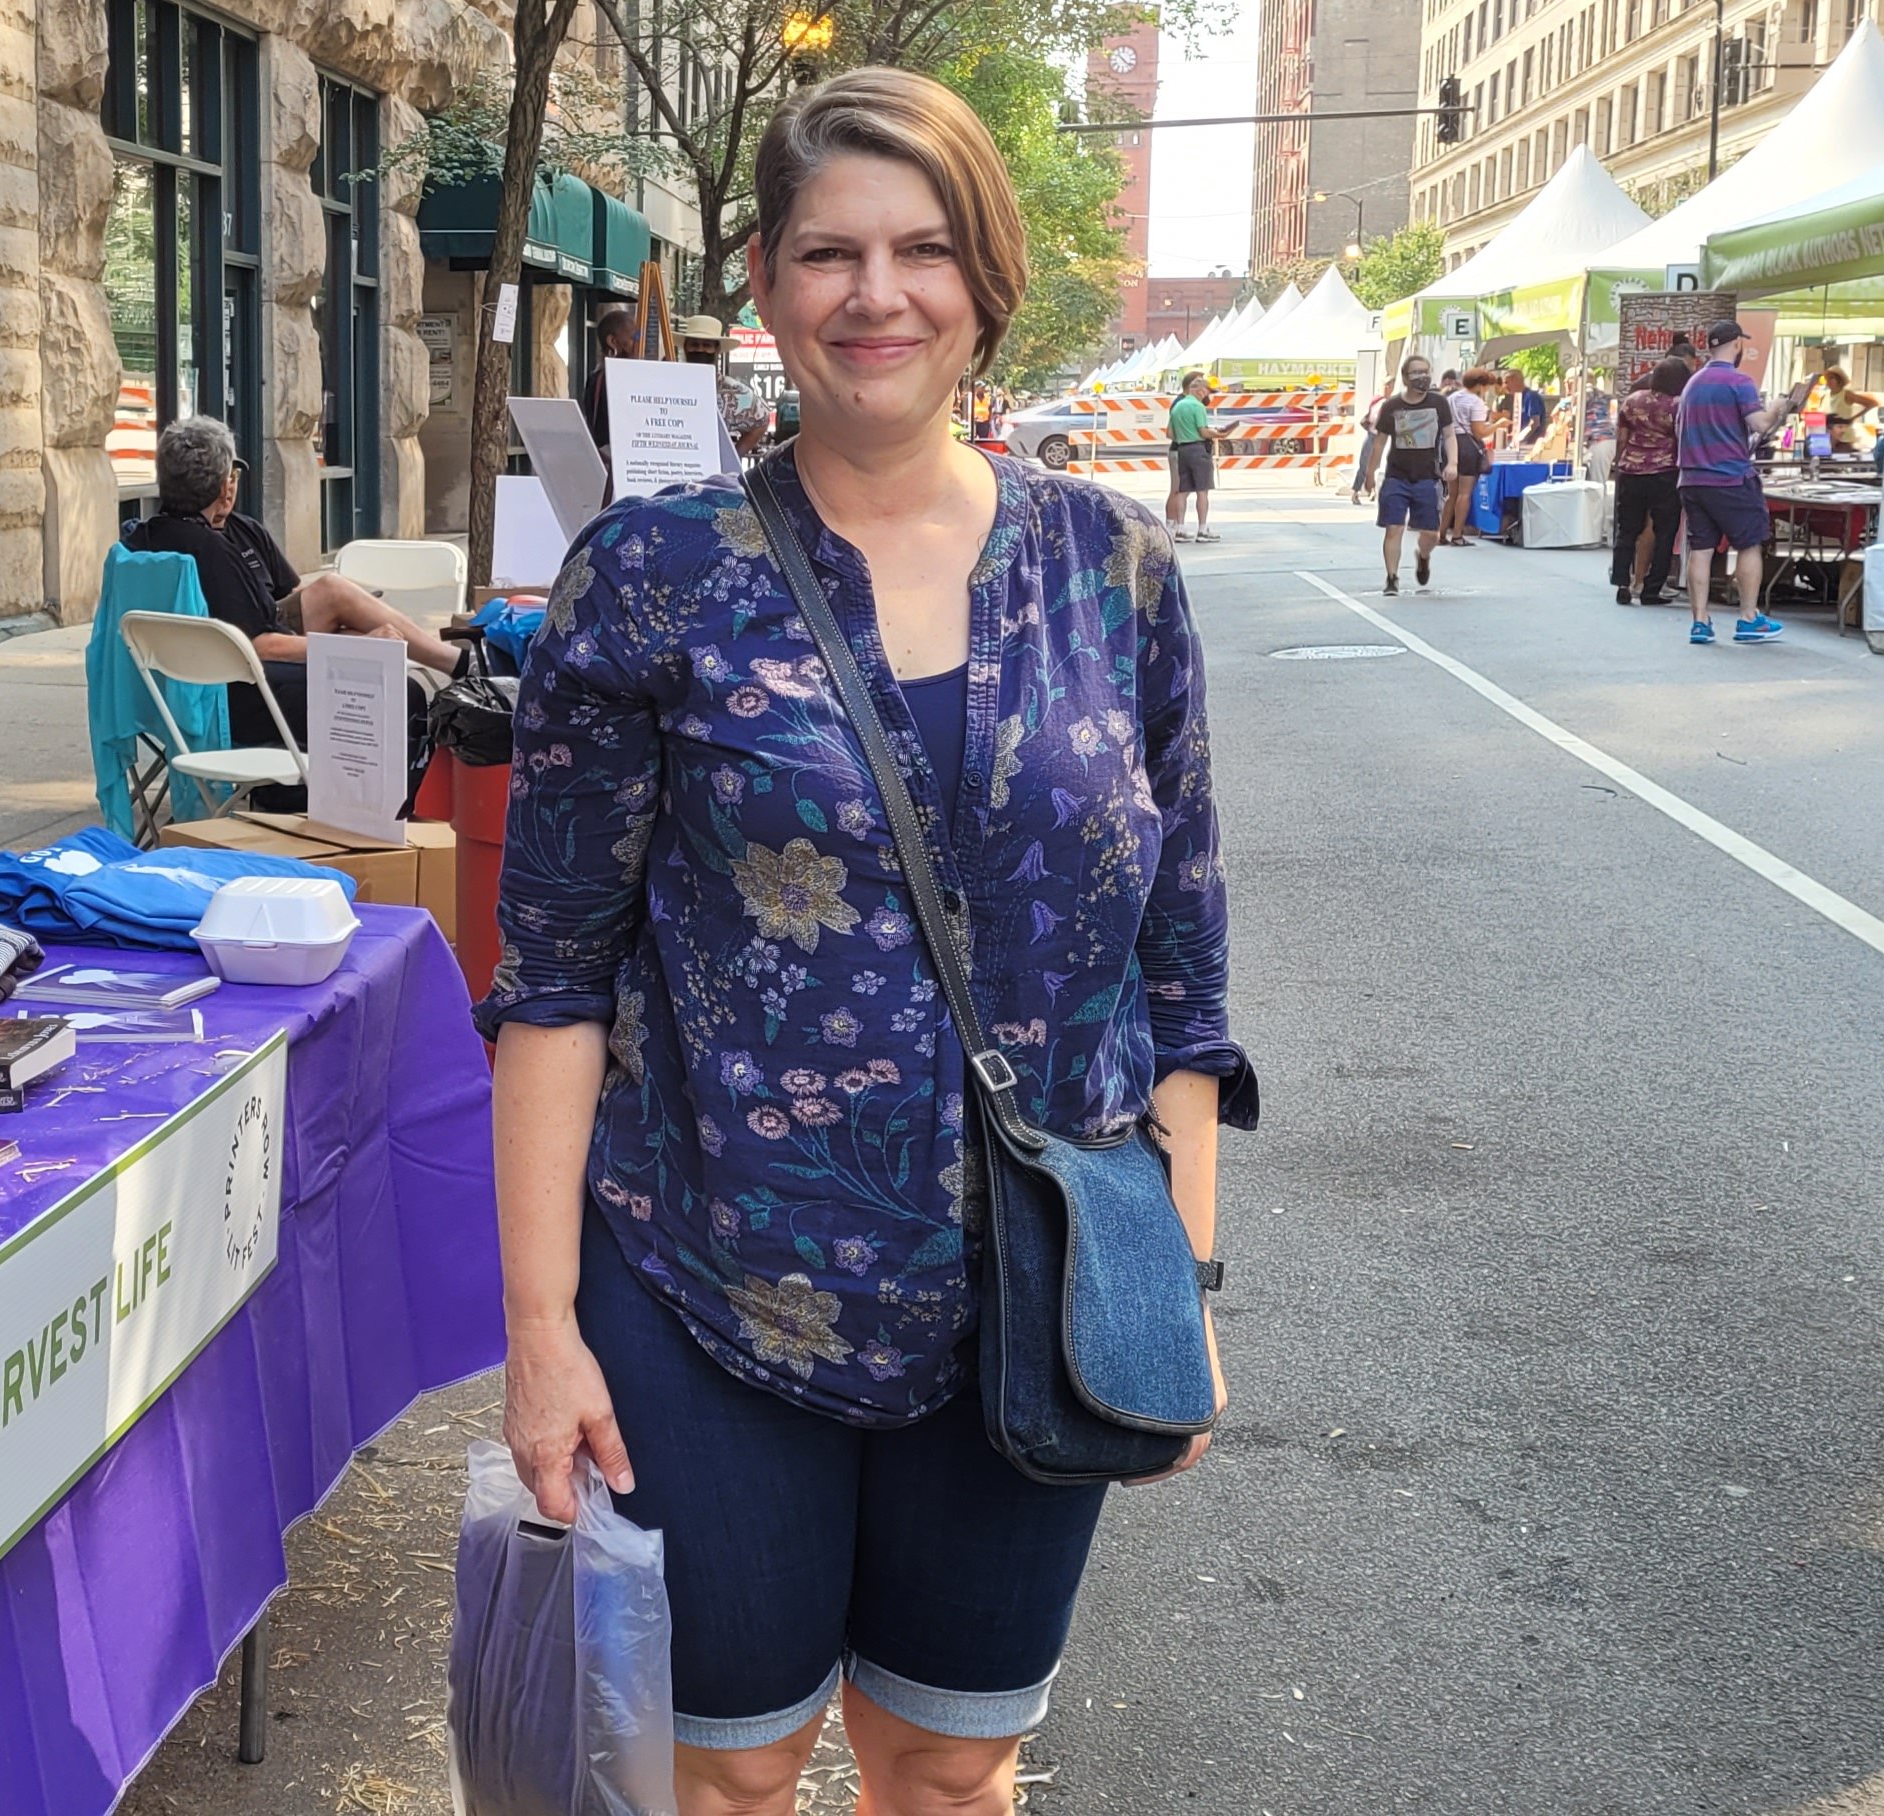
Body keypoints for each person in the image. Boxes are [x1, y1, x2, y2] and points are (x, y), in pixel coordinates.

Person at [485, 68, 1248, 1815]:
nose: (874, 294)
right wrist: (541, 1333)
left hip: (1034, 1290)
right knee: (731, 1778)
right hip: (709, 1281)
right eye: (828, 252)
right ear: (764, 282)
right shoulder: (651, 577)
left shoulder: (1114, 570)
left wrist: (1175, 1290)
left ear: (986, 279)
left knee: (951, 1765)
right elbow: (551, 984)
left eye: (921, 249)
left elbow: (1182, 971)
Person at [119, 415, 458, 752]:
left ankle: (453, 663)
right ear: (222, 485)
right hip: (234, 695)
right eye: (231, 476)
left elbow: (284, 605)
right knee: (399, 689)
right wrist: (354, 647)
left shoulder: (140, 543)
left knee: (360, 639)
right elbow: (258, 645)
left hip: (167, 690)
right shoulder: (212, 551)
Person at [1676, 322, 1783, 645]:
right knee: (1749, 544)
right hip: (1731, 477)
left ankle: (1700, 622)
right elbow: (1760, 424)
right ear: (1737, 344)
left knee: (1701, 549)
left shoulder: (1692, 383)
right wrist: (1778, 408)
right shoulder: (1740, 382)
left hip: (1692, 479)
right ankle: (1749, 618)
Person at [1609, 357, 1693, 605]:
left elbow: (1622, 437)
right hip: (1664, 472)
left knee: (1627, 529)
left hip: (1631, 471)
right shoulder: (1678, 405)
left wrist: (1619, 462)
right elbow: (1682, 439)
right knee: (1665, 532)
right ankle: (1652, 588)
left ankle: (1622, 583)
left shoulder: (1633, 400)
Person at [1369, 355, 1453, 595]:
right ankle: (1392, 578)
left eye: (1425, 371)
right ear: (1405, 378)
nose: (1422, 377)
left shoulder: (1438, 403)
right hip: (1396, 476)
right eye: (1416, 372)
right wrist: (1369, 473)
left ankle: (1423, 555)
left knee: (1431, 533)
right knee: (1394, 528)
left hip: (1427, 477)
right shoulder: (1392, 406)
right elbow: (1379, 442)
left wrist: (1453, 463)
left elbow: (1449, 435)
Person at [578, 301, 642, 466]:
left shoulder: (598, 377)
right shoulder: (609, 379)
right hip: (617, 465)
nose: (639, 343)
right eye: (634, 337)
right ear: (613, 342)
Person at [1166, 369, 1220, 541]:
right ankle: (1202, 529)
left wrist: (1183, 437)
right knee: (1202, 491)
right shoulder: (1197, 407)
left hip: (1181, 450)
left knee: (1181, 491)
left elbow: (1170, 433)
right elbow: (1203, 431)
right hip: (1197, 449)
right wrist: (1219, 434)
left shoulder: (1177, 406)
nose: (1207, 395)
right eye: (1207, 391)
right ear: (1200, 390)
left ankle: (1178, 527)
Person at [1443, 368, 1492, 543]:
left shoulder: (1452, 398)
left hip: (1450, 443)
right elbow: (1479, 432)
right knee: (1464, 493)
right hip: (1467, 447)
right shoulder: (1476, 402)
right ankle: (1457, 535)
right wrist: (1499, 424)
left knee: (1452, 494)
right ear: (1479, 385)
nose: (1486, 390)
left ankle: (1441, 534)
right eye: (1485, 387)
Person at [1803, 353, 1880, 457]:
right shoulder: (1825, 396)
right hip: (1826, 440)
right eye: (1827, 378)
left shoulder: (1846, 394)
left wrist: (1853, 418)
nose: (1828, 381)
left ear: (1839, 380)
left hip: (1844, 439)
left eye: (1831, 378)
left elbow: (1872, 403)